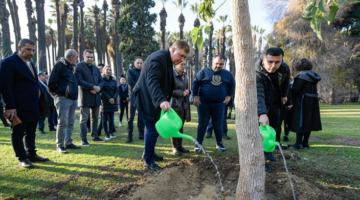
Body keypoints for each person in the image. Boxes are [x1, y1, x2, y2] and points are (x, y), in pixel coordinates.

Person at [131, 40, 190, 170]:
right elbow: (152, 81)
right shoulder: (158, 59)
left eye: (184, 58)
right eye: (181, 56)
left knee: (151, 128)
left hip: (151, 99)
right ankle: (149, 161)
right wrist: (161, 100)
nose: (182, 60)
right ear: (174, 50)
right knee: (152, 127)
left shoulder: (167, 59)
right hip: (145, 99)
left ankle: (149, 153)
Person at [0, 38, 50, 168]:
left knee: (31, 131)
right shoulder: (8, 62)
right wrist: (10, 107)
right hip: (18, 106)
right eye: (28, 49)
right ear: (19, 47)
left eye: (33, 50)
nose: (31, 52)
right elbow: (5, 86)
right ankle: (22, 158)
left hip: (33, 104)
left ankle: (31, 154)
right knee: (18, 132)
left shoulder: (29, 62)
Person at [256, 47, 290, 172]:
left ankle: (268, 152)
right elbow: (258, 93)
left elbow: (286, 82)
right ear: (264, 59)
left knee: (274, 128)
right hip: (260, 103)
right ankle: (260, 160)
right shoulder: (257, 71)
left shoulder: (284, 68)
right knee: (260, 133)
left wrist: (284, 95)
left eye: (277, 62)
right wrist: (262, 113)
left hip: (275, 102)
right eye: (270, 62)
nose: (273, 66)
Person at [192, 55, 235, 152]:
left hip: (219, 104)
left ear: (223, 64)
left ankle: (219, 143)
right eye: (216, 63)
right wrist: (195, 96)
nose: (218, 66)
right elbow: (196, 83)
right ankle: (199, 144)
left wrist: (229, 96)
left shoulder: (227, 74)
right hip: (204, 103)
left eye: (221, 64)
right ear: (212, 63)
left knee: (218, 124)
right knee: (202, 123)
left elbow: (232, 84)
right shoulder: (204, 72)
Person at [48, 49, 81, 154]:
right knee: (62, 123)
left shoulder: (72, 67)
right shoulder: (60, 65)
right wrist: (56, 93)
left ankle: (68, 143)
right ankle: (60, 146)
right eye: (77, 57)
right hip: (62, 98)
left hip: (72, 99)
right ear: (71, 57)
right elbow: (51, 81)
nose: (78, 59)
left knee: (70, 122)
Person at [288, 58, 322, 149]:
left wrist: (288, 88)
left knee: (300, 121)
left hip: (302, 101)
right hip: (312, 101)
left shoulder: (302, 76)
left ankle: (298, 143)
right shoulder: (313, 75)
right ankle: (305, 143)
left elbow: (295, 90)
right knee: (309, 121)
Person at [75, 49, 105, 146]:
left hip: (96, 96)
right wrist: (92, 87)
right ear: (83, 56)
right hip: (85, 96)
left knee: (95, 118)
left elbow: (102, 80)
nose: (90, 58)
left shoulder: (96, 68)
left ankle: (94, 136)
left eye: (91, 57)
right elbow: (79, 80)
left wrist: (98, 88)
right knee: (84, 119)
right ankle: (83, 139)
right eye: (88, 57)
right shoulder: (78, 66)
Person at [169, 61, 191, 156]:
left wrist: (188, 91)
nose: (183, 66)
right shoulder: (171, 74)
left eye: (184, 65)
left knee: (181, 125)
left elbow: (187, 87)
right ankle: (174, 147)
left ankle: (179, 146)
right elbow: (169, 90)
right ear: (176, 64)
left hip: (183, 103)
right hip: (174, 103)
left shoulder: (185, 75)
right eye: (181, 64)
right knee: (174, 126)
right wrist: (181, 93)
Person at [126, 57, 145, 143]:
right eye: (138, 63)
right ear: (134, 63)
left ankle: (141, 134)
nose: (139, 64)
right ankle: (129, 136)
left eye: (141, 63)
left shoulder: (144, 72)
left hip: (142, 97)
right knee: (130, 117)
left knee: (141, 117)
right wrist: (141, 87)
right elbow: (131, 82)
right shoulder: (130, 71)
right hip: (132, 97)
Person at [100, 66, 119, 140]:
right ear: (104, 71)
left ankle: (111, 132)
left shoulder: (113, 80)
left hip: (112, 101)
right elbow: (102, 91)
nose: (108, 71)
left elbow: (116, 90)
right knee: (104, 118)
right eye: (107, 69)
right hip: (105, 101)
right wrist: (109, 98)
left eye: (109, 69)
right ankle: (106, 134)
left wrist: (113, 98)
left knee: (111, 118)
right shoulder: (102, 80)